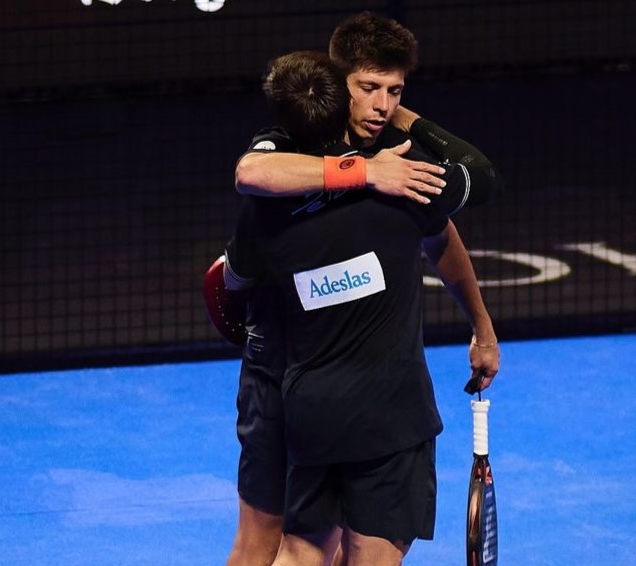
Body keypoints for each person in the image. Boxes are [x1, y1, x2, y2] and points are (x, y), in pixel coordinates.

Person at [224, 12, 502, 566]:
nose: (381, 105)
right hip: (293, 387)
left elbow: (442, 238)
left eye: (394, 91)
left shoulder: (405, 173)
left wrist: (483, 325)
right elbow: (250, 171)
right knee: (264, 547)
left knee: (296, 551)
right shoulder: (301, 157)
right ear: (336, 81)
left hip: (310, 399)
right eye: (369, 87)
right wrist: (367, 172)